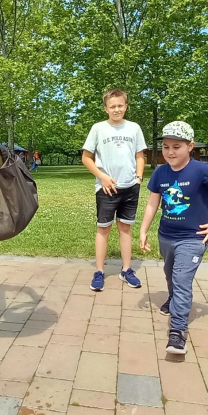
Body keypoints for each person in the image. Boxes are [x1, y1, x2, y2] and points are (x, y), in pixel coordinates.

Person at [139, 121, 208, 355]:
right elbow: (153, 203)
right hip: (166, 236)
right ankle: (173, 298)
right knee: (170, 274)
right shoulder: (160, 172)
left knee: (182, 280)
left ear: (190, 146)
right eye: (166, 147)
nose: (170, 152)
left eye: (177, 147)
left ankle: (177, 331)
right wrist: (143, 230)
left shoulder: (202, 170)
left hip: (193, 239)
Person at [82, 88, 147, 292]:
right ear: (106, 109)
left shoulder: (134, 128)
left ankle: (126, 270)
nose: (117, 109)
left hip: (130, 187)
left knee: (125, 228)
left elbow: (140, 156)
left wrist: (138, 178)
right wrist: (102, 177)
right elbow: (86, 157)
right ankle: (99, 271)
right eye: (112, 106)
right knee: (104, 229)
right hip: (106, 188)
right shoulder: (98, 129)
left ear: (126, 106)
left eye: (120, 105)